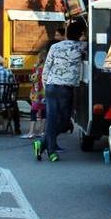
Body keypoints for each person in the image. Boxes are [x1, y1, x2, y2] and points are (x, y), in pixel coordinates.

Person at [34, 19, 85, 162]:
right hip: (66, 89)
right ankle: (50, 151)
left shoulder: (55, 47)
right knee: (64, 122)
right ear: (81, 34)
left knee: (51, 120)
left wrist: (46, 86)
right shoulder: (81, 47)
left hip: (51, 86)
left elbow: (46, 68)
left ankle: (43, 144)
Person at [22, 49, 48, 139]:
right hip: (45, 92)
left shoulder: (37, 68)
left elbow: (34, 80)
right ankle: (42, 131)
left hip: (37, 92)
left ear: (40, 58)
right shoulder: (48, 68)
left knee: (33, 111)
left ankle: (31, 132)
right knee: (44, 112)